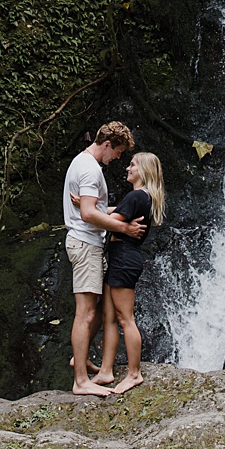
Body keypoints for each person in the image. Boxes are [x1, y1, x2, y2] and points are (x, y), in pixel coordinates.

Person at [63, 124, 145, 397]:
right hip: (86, 244)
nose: (119, 160)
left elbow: (93, 209)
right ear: (107, 143)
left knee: (95, 310)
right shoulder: (89, 169)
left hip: (89, 244)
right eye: (119, 152)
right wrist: (124, 229)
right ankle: (81, 381)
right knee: (86, 313)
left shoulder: (83, 164)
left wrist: (87, 208)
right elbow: (89, 214)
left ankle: (80, 358)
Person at [94, 152, 164, 396]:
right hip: (121, 256)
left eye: (132, 165)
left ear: (143, 170)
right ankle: (105, 370)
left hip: (124, 258)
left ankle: (134, 374)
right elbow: (114, 210)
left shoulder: (136, 196)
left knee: (125, 318)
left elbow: (106, 220)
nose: (127, 168)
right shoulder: (141, 197)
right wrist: (88, 205)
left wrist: (87, 210)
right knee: (109, 316)